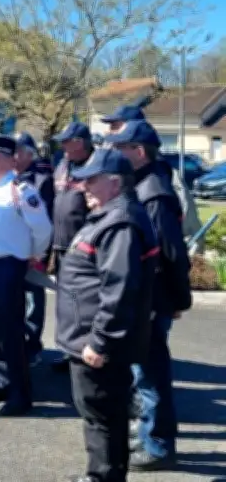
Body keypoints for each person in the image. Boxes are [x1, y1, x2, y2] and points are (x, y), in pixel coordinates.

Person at [55, 147, 156, 482]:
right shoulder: (108, 217)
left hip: (97, 344)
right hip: (85, 337)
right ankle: (99, 475)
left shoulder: (120, 223)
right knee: (97, 414)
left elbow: (119, 290)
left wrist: (100, 343)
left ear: (115, 183)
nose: (83, 187)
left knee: (103, 416)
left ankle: (104, 477)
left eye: (91, 181)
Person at [106, 120, 193, 471]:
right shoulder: (143, 184)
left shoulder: (154, 193)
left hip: (153, 299)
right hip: (143, 297)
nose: (114, 154)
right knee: (141, 371)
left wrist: (176, 301)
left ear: (138, 152)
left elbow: (171, 254)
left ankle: (157, 445)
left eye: (120, 148)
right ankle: (149, 434)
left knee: (150, 373)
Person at [0, 134, 52, 417]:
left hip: (7, 267)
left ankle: (20, 394)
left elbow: (42, 229)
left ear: (11, 160)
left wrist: (34, 255)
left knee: (11, 334)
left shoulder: (21, 190)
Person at [100, 103, 201, 238]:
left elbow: (185, 218)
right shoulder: (120, 167)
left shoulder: (161, 173)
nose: (109, 131)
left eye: (115, 126)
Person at [50, 121, 94, 373]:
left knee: (83, 304)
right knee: (66, 304)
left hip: (84, 249)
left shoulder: (94, 165)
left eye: (67, 141)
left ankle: (84, 351)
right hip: (61, 246)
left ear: (80, 142)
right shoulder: (64, 164)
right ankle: (69, 351)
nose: (63, 146)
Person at [13, 132, 55, 367]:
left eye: (18, 151)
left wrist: (40, 254)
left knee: (32, 303)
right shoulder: (8, 178)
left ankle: (31, 347)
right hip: (11, 251)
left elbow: (46, 221)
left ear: (30, 154)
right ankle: (17, 344)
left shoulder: (41, 180)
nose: (14, 155)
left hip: (31, 252)